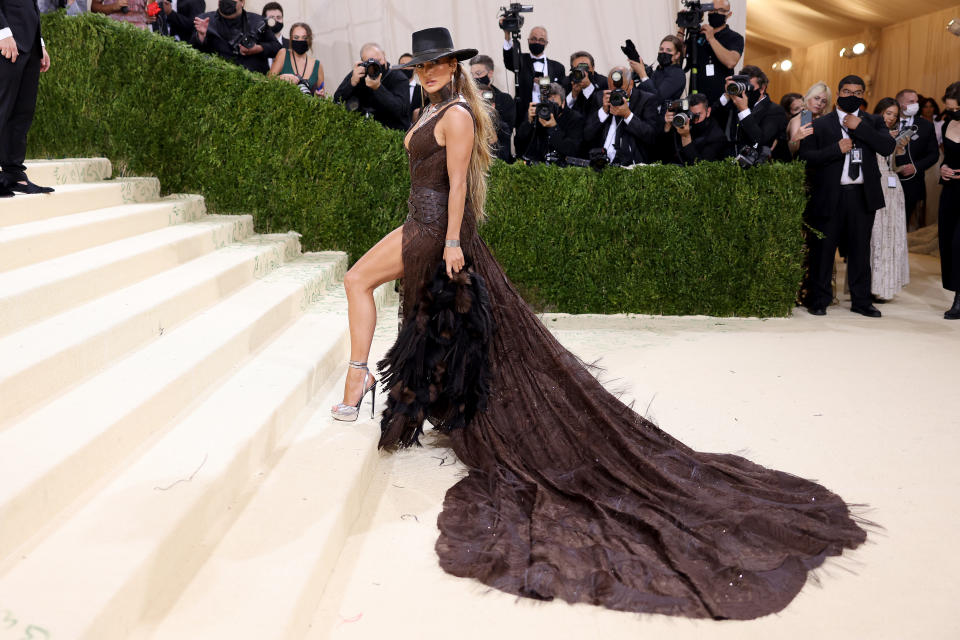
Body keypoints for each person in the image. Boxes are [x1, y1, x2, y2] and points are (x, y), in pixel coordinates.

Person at [331, 25, 869, 620]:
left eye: (438, 65)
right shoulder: (436, 105)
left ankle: (357, 381)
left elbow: (459, 183)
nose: (429, 72)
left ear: (456, 67)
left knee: (360, 282)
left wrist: (453, 240)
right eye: (423, 66)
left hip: (434, 229)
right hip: (423, 220)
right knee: (437, 321)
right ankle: (407, 395)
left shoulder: (456, 114)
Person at [799, 75, 897, 317]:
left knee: (860, 251)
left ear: (863, 96)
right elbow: (806, 158)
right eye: (847, 91)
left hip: (862, 197)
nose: (852, 96)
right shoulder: (820, 124)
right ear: (839, 93)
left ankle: (861, 301)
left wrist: (859, 127)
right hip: (830, 195)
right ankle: (818, 299)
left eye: (858, 93)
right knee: (823, 250)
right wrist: (835, 149)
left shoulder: (873, 122)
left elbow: (887, 147)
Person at [0, 0, 54, 197]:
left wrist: (38, 42)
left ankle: (13, 174)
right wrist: (2, 32)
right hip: (6, 40)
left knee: (22, 112)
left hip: (27, 42)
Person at [868, 97, 910, 302]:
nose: (891, 118)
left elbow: (898, 168)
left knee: (892, 236)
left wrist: (900, 148)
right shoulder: (870, 131)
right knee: (875, 237)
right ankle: (871, 285)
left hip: (893, 189)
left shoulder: (894, 137)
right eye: (888, 113)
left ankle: (886, 286)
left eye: (894, 115)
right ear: (879, 112)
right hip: (876, 186)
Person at [583, 66, 659, 166]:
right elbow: (587, 135)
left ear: (631, 84)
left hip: (632, 164)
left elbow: (651, 136)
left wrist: (628, 115)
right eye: (612, 89)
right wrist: (604, 111)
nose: (616, 93)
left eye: (620, 89)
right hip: (601, 162)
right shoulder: (600, 98)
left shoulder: (646, 100)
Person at [712, 65, 788, 161]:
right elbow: (711, 117)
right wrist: (728, 94)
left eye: (748, 87)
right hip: (727, 161)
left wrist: (744, 110)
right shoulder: (735, 101)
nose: (744, 91)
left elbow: (761, 140)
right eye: (742, 86)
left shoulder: (775, 110)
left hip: (755, 167)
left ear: (762, 88)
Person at [333, 42, 410, 131]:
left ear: (384, 55)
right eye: (370, 62)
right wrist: (352, 82)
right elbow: (337, 100)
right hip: (365, 134)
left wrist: (378, 88)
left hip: (394, 134)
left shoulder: (398, 77)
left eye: (378, 60)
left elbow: (401, 111)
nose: (376, 65)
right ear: (363, 62)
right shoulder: (359, 74)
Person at [677, 0, 743, 103]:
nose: (714, 13)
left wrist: (711, 39)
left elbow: (731, 62)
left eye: (719, 10)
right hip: (696, 99)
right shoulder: (698, 34)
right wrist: (682, 29)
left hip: (721, 100)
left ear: (729, 14)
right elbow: (678, 54)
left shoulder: (735, 37)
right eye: (711, 10)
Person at [190, 0, 280, 74]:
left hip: (252, 83)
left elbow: (276, 48)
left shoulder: (257, 21)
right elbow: (192, 51)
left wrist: (258, 49)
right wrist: (201, 37)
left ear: (242, 2)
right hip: (216, 79)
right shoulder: (204, 20)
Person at [499, 23, 565, 124]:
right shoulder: (520, 60)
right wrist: (507, 35)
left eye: (541, 40)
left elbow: (561, 94)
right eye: (533, 39)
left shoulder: (558, 67)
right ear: (528, 40)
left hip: (550, 117)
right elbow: (508, 60)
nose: (537, 42)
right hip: (525, 118)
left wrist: (547, 85)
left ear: (546, 43)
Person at [894, 88, 940, 228]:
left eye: (916, 102)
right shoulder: (888, 121)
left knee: (909, 222)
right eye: (911, 101)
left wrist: (915, 167)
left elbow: (934, 154)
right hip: (888, 180)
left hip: (913, 182)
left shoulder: (926, 126)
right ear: (900, 104)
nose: (916, 105)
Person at [514, 82, 583, 164]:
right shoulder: (538, 114)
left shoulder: (575, 118)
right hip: (537, 166)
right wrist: (529, 122)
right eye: (547, 105)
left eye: (554, 105)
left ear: (563, 103)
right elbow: (518, 145)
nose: (550, 109)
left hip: (562, 168)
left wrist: (554, 128)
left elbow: (572, 150)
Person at [938, 82, 960, 319]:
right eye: (950, 109)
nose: (952, 114)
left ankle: (959, 300)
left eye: (955, 110)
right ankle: (956, 292)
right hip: (951, 190)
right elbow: (948, 156)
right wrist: (944, 168)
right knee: (947, 244)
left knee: (958, 244)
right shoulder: (947, 124)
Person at [655, 93, 727, 165]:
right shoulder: (681, 121)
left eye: (698, 115)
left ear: (708, 112)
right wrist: (667, 126)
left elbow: (701, 168)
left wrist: (686, 137)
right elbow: (660, 153)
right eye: (689, 114)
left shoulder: (716, 136)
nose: (693, 118)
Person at [470, 54, 516, 163]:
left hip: (500, 158)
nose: (475, 78)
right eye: (472, 75)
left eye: (478, 73)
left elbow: (507, 129)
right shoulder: (467, 99)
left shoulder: (504, 99)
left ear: (490, 73)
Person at [268, 22, 324, 96]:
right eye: (296, 37)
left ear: (309, 40)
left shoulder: (317, 65)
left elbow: (322, 93)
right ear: (291, 39)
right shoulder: (283, 54)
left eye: (304, 38)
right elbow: (268, 81)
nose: (300, 41)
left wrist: (319, 95)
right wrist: (281, 78)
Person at [627, 35, 685, 103]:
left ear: (677, 55)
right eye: (661, 49)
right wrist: (631, 74)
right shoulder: (657, 72)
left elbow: (657, 98)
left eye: (668, 50)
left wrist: (642, 74)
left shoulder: (677, 74)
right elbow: (637, 94)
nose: (664, 52)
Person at [786, 81, 831, 158]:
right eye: (816, 98)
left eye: (823, 101)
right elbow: (792, 150)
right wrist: (795, 138)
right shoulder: (798, 119)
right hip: (801, 166)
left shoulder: (823, 120)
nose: (819, 103)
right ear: (808, 97)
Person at [559, 50, 605, 121]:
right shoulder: (566, 82)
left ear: (593, 68)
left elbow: (601, 107)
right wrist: (573, 95)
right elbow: (561, 110)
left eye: (586, 68)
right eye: (578, 68)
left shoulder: (603, 82)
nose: (583, 72)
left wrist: (588, 87)